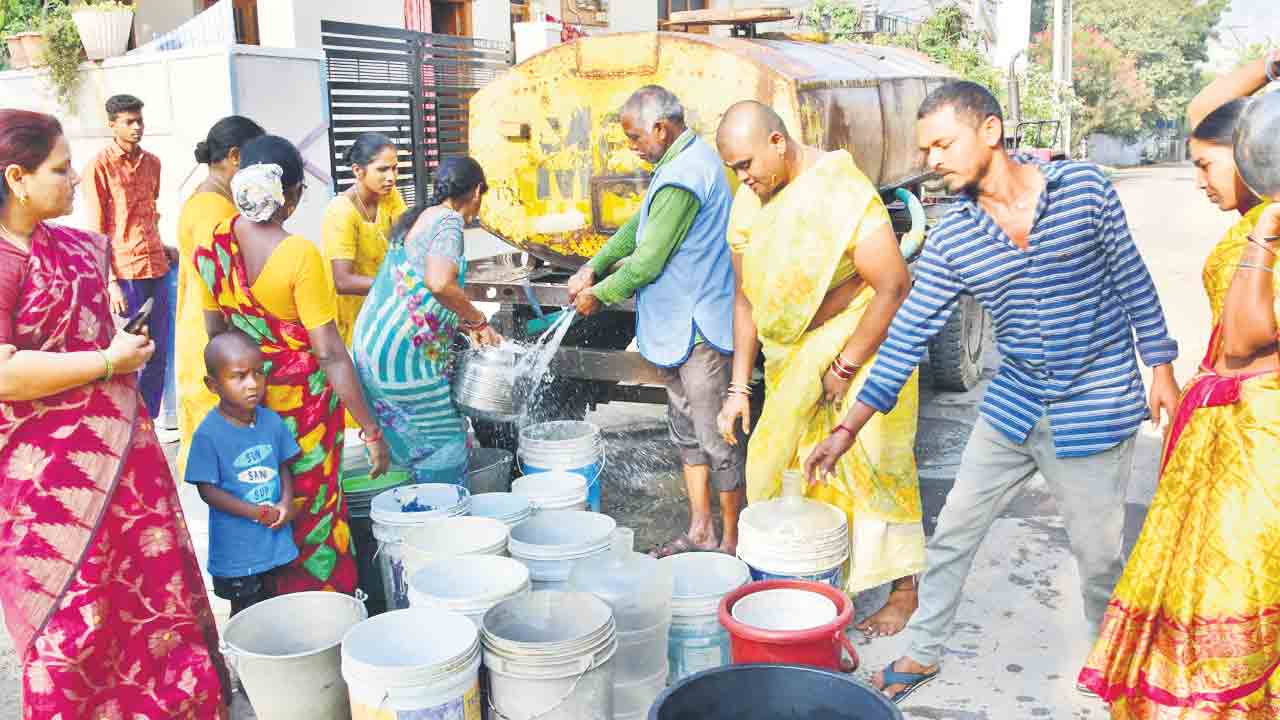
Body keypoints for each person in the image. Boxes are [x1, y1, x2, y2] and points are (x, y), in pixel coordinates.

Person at [804, 81, 1182, 702]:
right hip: (1012, 407)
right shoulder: (955, 240)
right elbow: (908, 334)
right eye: (925, 150)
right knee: (952, 532)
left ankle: (1107, 662)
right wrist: (847, 429)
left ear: (990, 131)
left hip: (1095, 404)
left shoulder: (1085, 188)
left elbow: (1132, 276)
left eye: (942, 144)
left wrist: (1161, 364)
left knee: (1097, 560)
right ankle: (923, 652)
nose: (931, 161)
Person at [0, 109, 227, 718]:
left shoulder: (69, 247)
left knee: (149, 590)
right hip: (49, 481)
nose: (74, 179)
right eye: (60, 168)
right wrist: (105, 360)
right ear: (16, 178)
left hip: (123, 458)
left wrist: (121, 346)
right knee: (71, 612)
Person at [1078, 51, 1280, 717]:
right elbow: (1206, 116)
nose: (1198, 180)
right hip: (1226, 431)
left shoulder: (1270, 228)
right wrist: (1270, 64)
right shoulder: (1254, 212)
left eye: (1204, 165)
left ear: (1256, 158)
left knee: (1232, 596)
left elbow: (1250, 337)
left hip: (1262, 444)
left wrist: (1270, 229)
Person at [714, 100, 922, 635]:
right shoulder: (750, 202)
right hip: (791, 359)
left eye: (746, 165)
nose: (743, 179)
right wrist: (739, 387)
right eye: (735, 169)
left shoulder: (840, 189)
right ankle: (813, 585)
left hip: (860, 343)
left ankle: (904, 590)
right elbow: (746, 300)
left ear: (778, 143)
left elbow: (894, 284)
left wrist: (846, 366)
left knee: (873, 465)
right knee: (784, 466)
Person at [195, 135, 390, 596]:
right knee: (314, 507)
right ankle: (324, 601)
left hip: (249, 412)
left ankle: (274, 604)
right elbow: (329, 352)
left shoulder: (211, 250)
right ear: (294, 194)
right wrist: (371, 430)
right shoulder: (299, 254)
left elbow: (216, 335)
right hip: (305, 417)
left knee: (262, 499)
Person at [566, 86, 745, 553]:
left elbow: (647, 262)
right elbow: (636, 228)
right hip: (675, 326)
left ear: (661, 129)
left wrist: (598, 296)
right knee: (686, 433)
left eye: (634, 137)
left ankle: (731, 542)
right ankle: (701, 529)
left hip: (698, 326)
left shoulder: (686, 174)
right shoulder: (675, 164)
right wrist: (594, 264)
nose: (631, 147)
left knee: (715, 436)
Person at [353, 157, 501, 483]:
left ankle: (413, 513)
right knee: (445, 443)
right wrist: (477, 321)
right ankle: (442, 518)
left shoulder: (420, 216)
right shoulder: (448, 222)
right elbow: (438, 283)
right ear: (477, 191)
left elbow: (417, 290)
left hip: (375, 350)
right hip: (402, 361)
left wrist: (458, 322)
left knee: (410, 445)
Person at [187, 330, 300, 617]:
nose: (252, 385)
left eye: (258, 374)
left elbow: (283, 466)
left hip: (274, 542)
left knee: (278, 611)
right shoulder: (208, 435)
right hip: (237, 552)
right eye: (239, 377)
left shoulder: (271, 421)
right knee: (248, 619)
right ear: (213, 385)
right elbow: (207, 491)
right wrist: (253, 512)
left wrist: (286, 503)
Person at [176, 115, 265, 472]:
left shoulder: (204, 200)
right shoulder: (214, 211)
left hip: (200, 330)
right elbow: (223, 292)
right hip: (211, 336)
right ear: (234, 157)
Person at [82, 94, 175, 419]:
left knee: (159, 351)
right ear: (112, 125)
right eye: (128, 122)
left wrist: (162, 247)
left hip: (157, 266)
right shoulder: (99, 166)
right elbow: (97, 230)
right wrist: (110, 282)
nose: (137, 127)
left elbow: (150, 213)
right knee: (131, 352)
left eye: (140, 121)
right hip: (124, 273)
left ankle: (147, 421)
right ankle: (127, 421)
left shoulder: (153, 163)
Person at [324, 132, 408, 346]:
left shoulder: (390, 195)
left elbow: (408, 240)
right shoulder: (341, 210)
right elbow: (343, 281)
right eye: (382, 169)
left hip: (385, 306)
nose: (391, 177)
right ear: (358, 171)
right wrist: (399, 286)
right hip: (352, 314)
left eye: (394, 168)